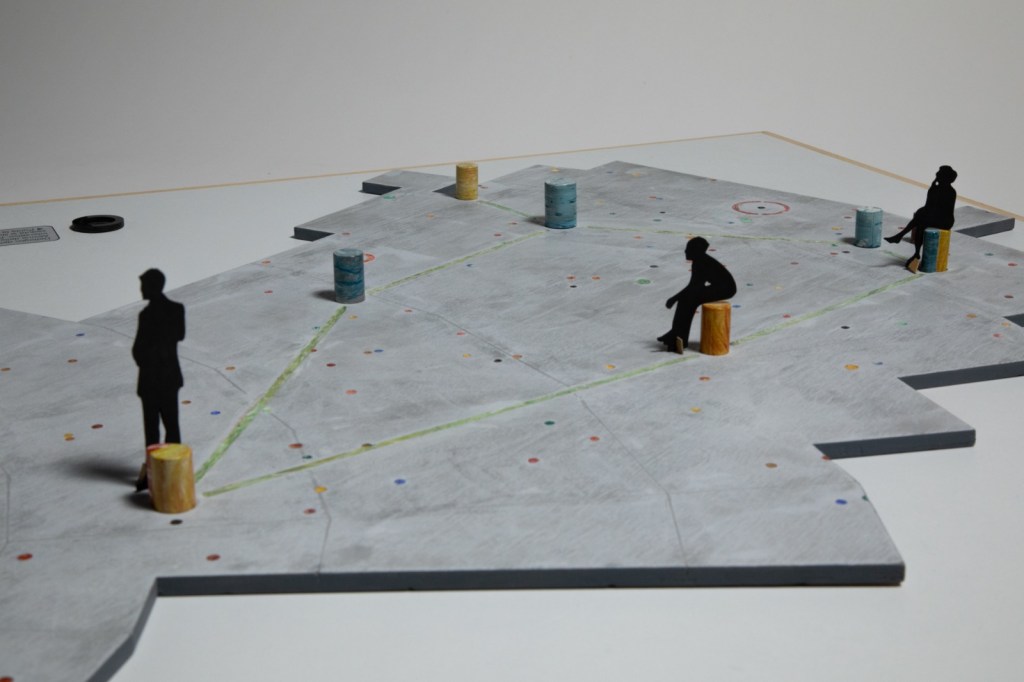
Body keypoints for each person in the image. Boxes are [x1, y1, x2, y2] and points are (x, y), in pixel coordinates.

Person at [132, 268, 186, 490]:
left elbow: (139, 347)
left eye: (144, 285)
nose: (141, 290)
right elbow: (178, 335)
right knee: (167, 425)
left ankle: (159, 472)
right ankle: (167, 471)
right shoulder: (172, 309)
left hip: (154, 377)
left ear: (153, 286)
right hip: (165, 376)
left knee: (157, 427)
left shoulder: (151, 314)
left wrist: (147, 357)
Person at [658, 237, 736, 352]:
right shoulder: (699, 261)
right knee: (687, 299)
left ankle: (679, 336)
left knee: (689, 301)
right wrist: (677, 298)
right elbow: (694, 286)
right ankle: (676, 333)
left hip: (725, 289)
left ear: (696, 251)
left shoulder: (701, 263)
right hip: (718, 286)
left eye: (688, 248)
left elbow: (693, 286)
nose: (685, 251)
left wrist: (674, 298)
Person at [884, 165, 957, 269]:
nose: (937, 174)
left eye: (939, 174)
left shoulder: (950, 192)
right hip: (934, 216)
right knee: (921, 222)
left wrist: (933, 189)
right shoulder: (935, 189)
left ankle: (903, 239)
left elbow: (941, 210)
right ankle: (914, 251)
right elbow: (929, 206)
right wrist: (932, 188)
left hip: (945, 220)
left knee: (920, 217)